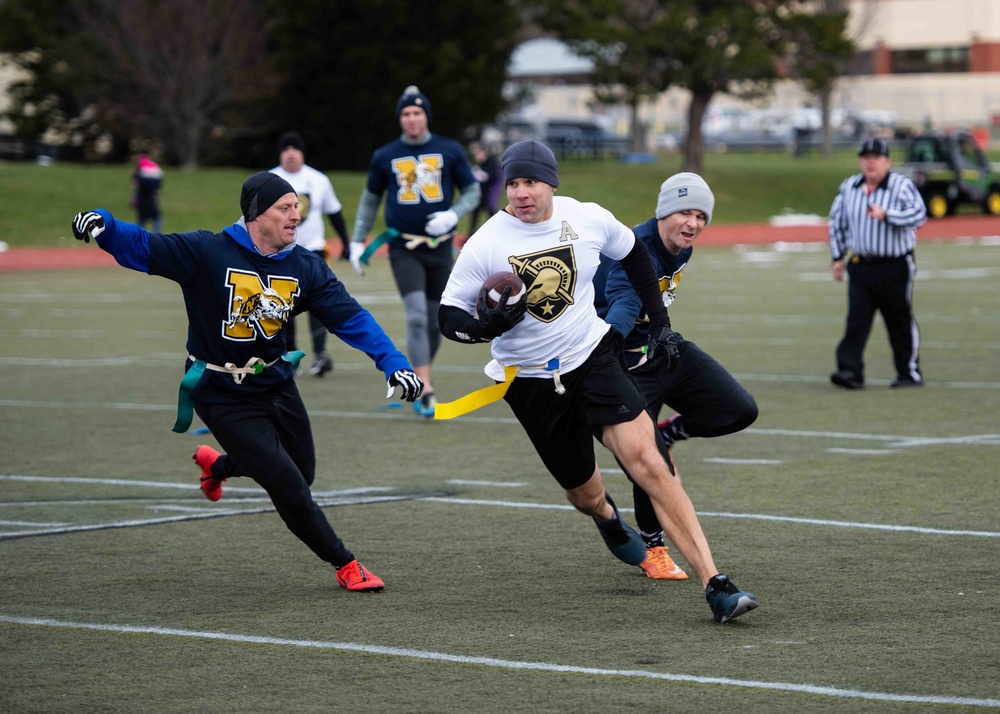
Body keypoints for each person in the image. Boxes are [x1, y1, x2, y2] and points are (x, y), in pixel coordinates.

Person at [438, 140, 758, 623]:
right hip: (530, 381)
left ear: (552, 183)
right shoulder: (486, 241)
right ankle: (608, 518)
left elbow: (635, 258)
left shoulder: (585, 217)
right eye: (514, 183)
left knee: (650, 462)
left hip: (592, 357)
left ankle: (716, 583)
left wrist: (661, 324)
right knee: (584, 495)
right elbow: (448, 317)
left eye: (532, 182)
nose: (522, 193)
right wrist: (484, 328)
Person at [70, 171, 424, 593]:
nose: (297, 216)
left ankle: (217, 465)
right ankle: (346, 564)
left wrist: (393, 362)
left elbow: (352, 319)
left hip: (273, 380)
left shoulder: (305, 265)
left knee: (301, 472)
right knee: (287, 483)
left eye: (298, 207)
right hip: (220, 392)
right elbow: (144, 246)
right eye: (285, 208)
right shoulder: (207, 251)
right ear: (256, 214)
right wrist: (105, 223)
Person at [594, 172, 758, 580]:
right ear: (664, 211)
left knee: (739, 409)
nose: (693, 223)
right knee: (650, 461)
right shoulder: (636, 248)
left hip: (662, 346)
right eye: (685, 212)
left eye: (701, 215)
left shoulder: (680, 246)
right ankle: (654, 547)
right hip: (624, 359)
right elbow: (624, 296)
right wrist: (615, 334)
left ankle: (668, 433)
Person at [349, 85, 481, 417]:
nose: (411, 119)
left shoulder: (449, 150)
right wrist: (356, 239)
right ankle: (425, 385)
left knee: (437, 320)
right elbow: (370, 199)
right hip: (403, 247)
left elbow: (472, 190)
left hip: (440, 249)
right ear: (399, 118)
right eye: (406, 113)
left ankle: (423, 372)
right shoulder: (385, 155)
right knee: (417, 317)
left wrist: (454, 214)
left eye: (417, 112)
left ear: (426, 117)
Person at [828, 137, 927, 390]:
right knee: (856, 320)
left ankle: (908, 372)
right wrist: (838, 257)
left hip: (894, 265)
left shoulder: (901, 185)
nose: (870, 162)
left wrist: (888, 215)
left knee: (899, 319)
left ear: (888, 161)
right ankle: (850, 371)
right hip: (861, 265)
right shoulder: (850, 187)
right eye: (865, 157)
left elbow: (919, 214)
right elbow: (836, 222)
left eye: (876, 157)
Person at [270, 131, 352, 378]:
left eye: (295, 148)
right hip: (280, 251)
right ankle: (289, 355)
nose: (291, 153)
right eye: (286, 148)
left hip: (314, 249)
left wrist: (346, 244)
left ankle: (320, 355)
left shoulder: (318, 180)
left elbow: (334, 212)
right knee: (284, 305)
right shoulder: (270, 179)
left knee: (317, 302)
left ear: (302, 153)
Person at [466, 141, 502, 235]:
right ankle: (470, 234)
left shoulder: (491, 163)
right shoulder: (480, 164)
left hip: (490, 192)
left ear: (484, 152)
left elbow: (487, 176)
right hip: (482, 192)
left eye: (477, 153)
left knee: (491, 211)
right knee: (475, 212)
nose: (476, 156)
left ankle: (497, 232)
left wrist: (475, 173)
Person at [132, 154, 163, 232]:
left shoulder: (139, 175)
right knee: (157, 219)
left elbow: (136, 188)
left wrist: (134, 199)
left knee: (142, 219)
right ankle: (157, 236)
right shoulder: (154, 173)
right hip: (150, 199)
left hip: (143, 199)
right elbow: (157, 189)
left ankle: (140, 237)